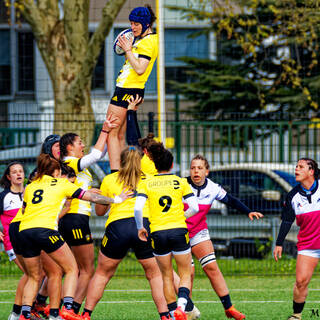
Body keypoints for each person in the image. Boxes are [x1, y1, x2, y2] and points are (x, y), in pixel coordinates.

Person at [17, 154, 130, 320]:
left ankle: (24, 314)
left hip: (24, 231)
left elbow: (25, 209)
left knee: (34, 277)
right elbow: (92, 197)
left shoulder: (32, 186)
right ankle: (68, 308)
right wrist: (116, 199)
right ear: (56, 172)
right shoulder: (62, 184)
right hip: (45, 230)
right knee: (71, 269)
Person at [82, 147, 169, 320]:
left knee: (102, 273)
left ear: (120, 162)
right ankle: (165, 315)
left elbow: (99, 212)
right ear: (141, 162)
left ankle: (86, 314)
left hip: (118, 227)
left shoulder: (109, 179)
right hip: (143, 226)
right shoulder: (151, 180)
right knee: (154, 274)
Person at [183, 154, 263, 320]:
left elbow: (231, 200)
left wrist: (248, 211)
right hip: (179, 234)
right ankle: (187, 310)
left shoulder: (212, 188)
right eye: (193, 168)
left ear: (207, 171)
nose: (195, 171)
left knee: (212, 268)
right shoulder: (181, 185)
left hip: (198, 231)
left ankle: (229, 308)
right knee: (188, 273)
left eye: (200, 168)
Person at [58, 118, 117, 315]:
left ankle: (49, 306)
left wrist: (91, 189)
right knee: (87, 270)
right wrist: (105, 130)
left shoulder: (71, 165)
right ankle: (71, 309)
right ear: (69, 147)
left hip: (68, 218)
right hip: (76, 218)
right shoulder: (70, 162)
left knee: (66, 269)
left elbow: (76, 186)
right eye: (80, 142)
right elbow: (97, 154)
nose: (83, 145)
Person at [134, 144, 199, 320]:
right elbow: (195, 207)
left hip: (157, 233)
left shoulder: (146, 183)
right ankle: (181, 307)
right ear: (171, 166)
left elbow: (138, 208)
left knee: (166, 275)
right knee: (185, 273)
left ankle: (171, 314)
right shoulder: (181, 182)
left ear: (155, 166)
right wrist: (182, 216)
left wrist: (140, 227)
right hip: (178, 230)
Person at [106, 4, 158, 172]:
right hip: (129, 88)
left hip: (128, 89)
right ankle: (124, 170)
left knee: (111, 133)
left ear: (146, 24)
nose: (132, 27)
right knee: (119, 134)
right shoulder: (144, 40)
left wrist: (128, 50)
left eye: (136, 24)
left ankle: (116, 173)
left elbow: (140, 68)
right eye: (131, 23)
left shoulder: (148, 42)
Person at [273, 158, 320, 320]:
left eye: (301, 167)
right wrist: (278, 243)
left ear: (311, 171)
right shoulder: (292, 196)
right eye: (296, 166)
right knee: (301, 281)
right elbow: (287, 220)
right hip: (309, 244)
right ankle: (297, 315)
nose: (296, 169)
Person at [0, 162, 28, 320]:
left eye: (21, 171)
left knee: (37, 274)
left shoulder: (30, 193)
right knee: (30, 274)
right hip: (12, 242)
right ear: (9, 177)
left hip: (31, 240)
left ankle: (26, 309)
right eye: (15, 172)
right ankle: (16, 312)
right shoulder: (3, 196)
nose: (18, 174)